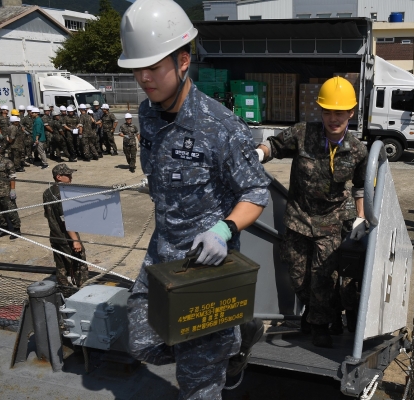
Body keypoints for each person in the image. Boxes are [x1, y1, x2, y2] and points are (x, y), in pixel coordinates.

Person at [118, 0, 270, 397]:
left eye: (153, 67)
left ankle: (223, 346)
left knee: (197, 383)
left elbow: (256, 190)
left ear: (183, 60)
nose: (143, 77)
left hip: (207, 266)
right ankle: (237, 336)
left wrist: (224, 228)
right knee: (140, 340)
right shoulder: (147, 115)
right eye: (137, 68)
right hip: (163, 254)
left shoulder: (221, 126)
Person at [257, 76, 368, 347]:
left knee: (322, 278)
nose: (333, 118)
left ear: (351, 113)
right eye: (327, 111)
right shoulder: (303, 133)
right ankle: (322, 314)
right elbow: (274, 144)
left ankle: (319, 324)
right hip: (298, 217)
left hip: (332, 222)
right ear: (320, 110)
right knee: (297, 275)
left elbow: (361, 188)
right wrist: (258, 153)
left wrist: (362, 218)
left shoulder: (358, 150)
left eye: (339, 112)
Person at [43, 163, 88, 297]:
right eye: (67, 175)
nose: (71, 177)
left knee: (61, 266)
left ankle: (65, 292)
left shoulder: (47, 192)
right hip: (66, 237)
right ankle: (84, 293)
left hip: (55, 235)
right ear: (59, 177)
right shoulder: (63, 194)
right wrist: (75, 240)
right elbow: (67, 219)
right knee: (79, 265)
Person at [0, 139, 21, 239]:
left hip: (6, 192)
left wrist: (13, 190)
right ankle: (4, 228)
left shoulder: (7, 162)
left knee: (11, 211)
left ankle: (16, 229)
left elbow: (12, 177)